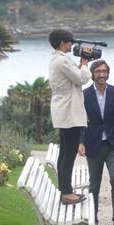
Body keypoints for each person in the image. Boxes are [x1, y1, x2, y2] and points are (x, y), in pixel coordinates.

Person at [78, 60, 114, 225]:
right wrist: (81, 142)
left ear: (108, 73)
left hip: (113, 144)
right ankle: (94, 220)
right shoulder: (84, 94)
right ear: (93, 74)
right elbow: (80, 121)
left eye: (104, 71)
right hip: (93, 144)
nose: (101, 74)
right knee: (94, 185)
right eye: (98, 71)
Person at [48, 29, 90, 204]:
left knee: (65, 153)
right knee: (69, 154)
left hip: (64, 111)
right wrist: (85, 62)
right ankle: (66, 193)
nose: (71, 45)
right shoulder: (62, 61)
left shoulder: (56, 60)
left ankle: (65, 189)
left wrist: (80, 65)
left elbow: (74, 77)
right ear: (62, 43)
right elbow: (82, 79)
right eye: (69, 42)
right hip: (69, 113)